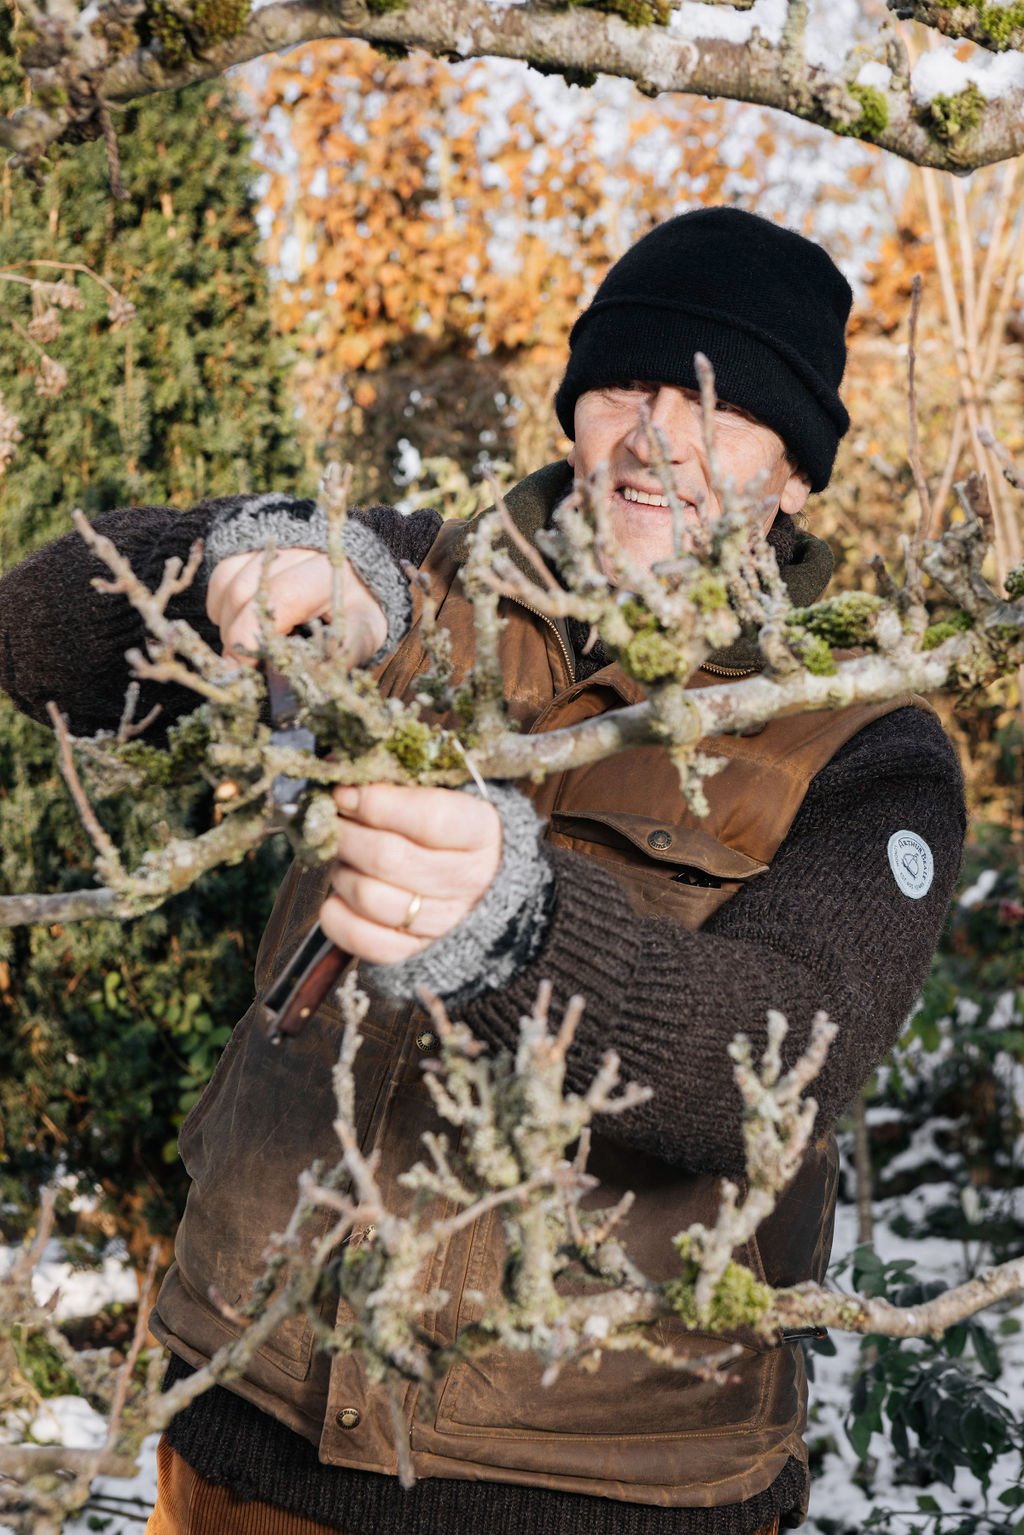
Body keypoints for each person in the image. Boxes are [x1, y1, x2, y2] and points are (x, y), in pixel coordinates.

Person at [0, 207, 966, 1535]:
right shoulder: (409, 579)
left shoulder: (866, 742)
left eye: (720, 408)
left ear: (797, 474)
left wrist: (517, 933)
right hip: (240, 1433)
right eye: (626, 384)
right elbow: (37, 639)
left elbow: (777, 1073)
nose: (653, 439)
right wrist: (239, 560)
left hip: (593, 1495)